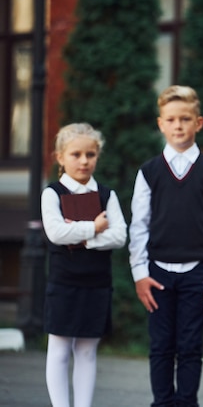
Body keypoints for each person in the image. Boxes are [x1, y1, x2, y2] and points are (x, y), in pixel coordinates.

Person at [128, 85, 203, 407]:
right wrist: (139, 272)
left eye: (185, 119)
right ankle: (162, 403)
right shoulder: (148, 172)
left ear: (198, 123)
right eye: (171, 119)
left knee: (190, 346)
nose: (178, 126)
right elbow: (139, 225)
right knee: (161, 345)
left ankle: (187, 402)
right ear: (160, 124)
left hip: (198, 273)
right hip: (157, 272)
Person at [41, 122, 127, 407]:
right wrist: (95, 226)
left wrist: (80, 236)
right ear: (60, 157)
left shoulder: (106, 194)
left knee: (88, 351)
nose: (84, 161)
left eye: (90, 154)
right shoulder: (52, 193)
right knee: (60, 348)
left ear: (97, 156)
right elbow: (55, 233)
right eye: (76, 154)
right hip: (64, 280)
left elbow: (119, 236)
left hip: (97, 282)